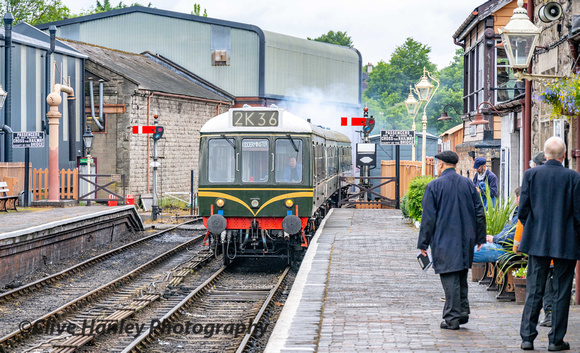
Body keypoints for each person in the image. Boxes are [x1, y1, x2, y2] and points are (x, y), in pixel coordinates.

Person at [517, 136, 580, 351]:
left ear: (545, 155)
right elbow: (579, 214)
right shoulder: (573, 177)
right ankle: (556, 340)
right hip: (566, 241)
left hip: (537, 240)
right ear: (564, 156)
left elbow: (523, 210)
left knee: (534, 289)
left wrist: (534, 229)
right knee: (562, 292)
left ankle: (527, 337)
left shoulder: (531, 174)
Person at [417, 151, 486, 330]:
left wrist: (423, 244)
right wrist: (480, 237)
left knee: (449, 278)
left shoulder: (434, 186)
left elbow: (428, 218)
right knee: (461, 275)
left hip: (444, 239)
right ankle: (462, 312)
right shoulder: (468, 185)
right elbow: (480, 212)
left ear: (440, 164)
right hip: (466, 239)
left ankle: (452, 318)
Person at [472, 187, 520, 263]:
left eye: (515, 198)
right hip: (501, 245)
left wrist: (494, 239)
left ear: (519, 198)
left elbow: (512, 237)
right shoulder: (518, 214)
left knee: (467, 252)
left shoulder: (521, 216)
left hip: (504, 249)